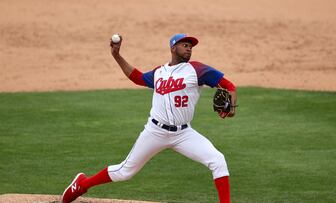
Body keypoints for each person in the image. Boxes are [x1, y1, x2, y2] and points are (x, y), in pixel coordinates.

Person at [61, 33, 238, 203]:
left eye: (190, 46)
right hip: (156, 131)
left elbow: (229, 86)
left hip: (184, 134)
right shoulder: (159, 72)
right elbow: (137, 77)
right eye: (185, 45)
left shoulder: (198, 69)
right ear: (173, 48)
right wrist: (117, 55)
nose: (189, 49)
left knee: (218, 161)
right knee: (125, 172)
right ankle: (82, 184)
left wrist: (232, 105)